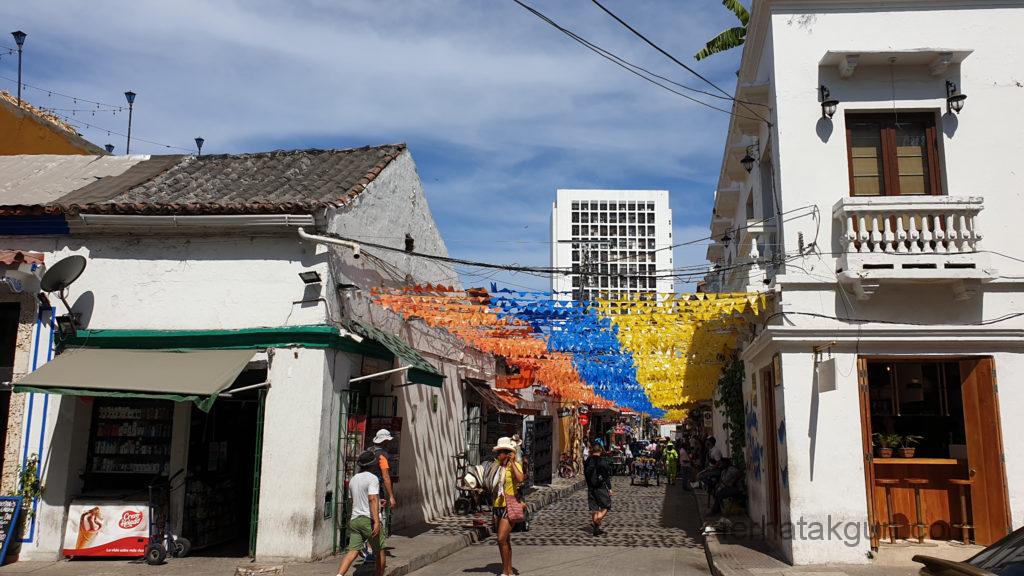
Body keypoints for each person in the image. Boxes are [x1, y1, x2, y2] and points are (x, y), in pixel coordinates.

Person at [336, 450, 385, 576]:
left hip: (355, 519)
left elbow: (354, 500)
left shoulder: (353, 479)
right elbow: (372, 498)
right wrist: (376, 522)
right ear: (372, 464)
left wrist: (379, 503)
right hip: (368, 520)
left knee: (352, 551)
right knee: (379, 552)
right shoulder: (373, 478)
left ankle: (339, 575)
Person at [487, 437, 525, 576]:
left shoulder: (514, 465)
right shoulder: (496, 466)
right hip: (497, 505)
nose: (498, 455)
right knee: (505, 541)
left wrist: (513, 462)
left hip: (509, 505)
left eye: (500, 453)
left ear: (507, 453)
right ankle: (508, 570)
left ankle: (505, 572)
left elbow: (520, 479)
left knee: (501, 538)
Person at [363, 429, 396, 563]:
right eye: (387, 441)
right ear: (384, 441)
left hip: (362, 489)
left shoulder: (368, 451)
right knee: (377, 520)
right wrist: (391, 496)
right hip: (375, 491)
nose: (389, 444)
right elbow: (386, 476)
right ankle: (370, 550)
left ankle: (365, 545)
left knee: (364, 516)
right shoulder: (382, 455)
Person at [584, 442, 613, 536]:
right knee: (607, 505)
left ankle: (596, 529)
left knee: (594, 508)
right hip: (600, 487)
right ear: (600, 450)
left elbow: (585, 473)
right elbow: (606, 476)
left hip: (590, 487)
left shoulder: (588, 460)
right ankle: (597, 520)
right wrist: (609, 488)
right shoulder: (602, 461)